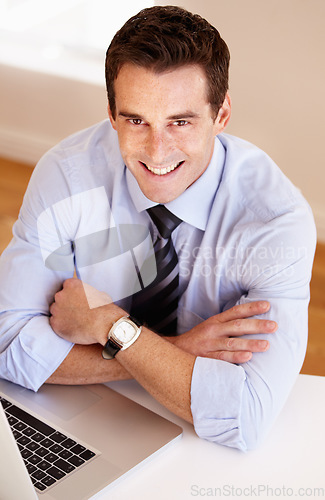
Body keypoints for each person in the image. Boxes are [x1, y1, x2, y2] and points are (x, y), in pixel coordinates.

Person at [0, 5, 316, 451]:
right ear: (111, 113)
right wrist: (179, 348)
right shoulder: (66, 176)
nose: (157, 150)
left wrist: (109, 324)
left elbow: (243, 417)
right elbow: (7, 345)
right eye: (135, 120)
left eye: (180, 121)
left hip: (195, 447)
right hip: (86, 417)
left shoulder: (275, 224)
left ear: (221, 115)